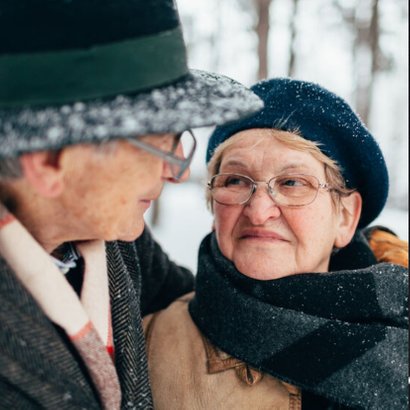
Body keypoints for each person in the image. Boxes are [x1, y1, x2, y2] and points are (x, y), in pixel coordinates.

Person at [0, 0, 263, 408]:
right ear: (50, 162)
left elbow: (210, 313)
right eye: (160, 143)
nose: (175, 172)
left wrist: (352, 258)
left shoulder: (112, 244)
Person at [143, 78, 408, 409]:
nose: (258, 211)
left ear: (345, 217)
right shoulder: (145, 345)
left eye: (292, 182)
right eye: (236, 181)